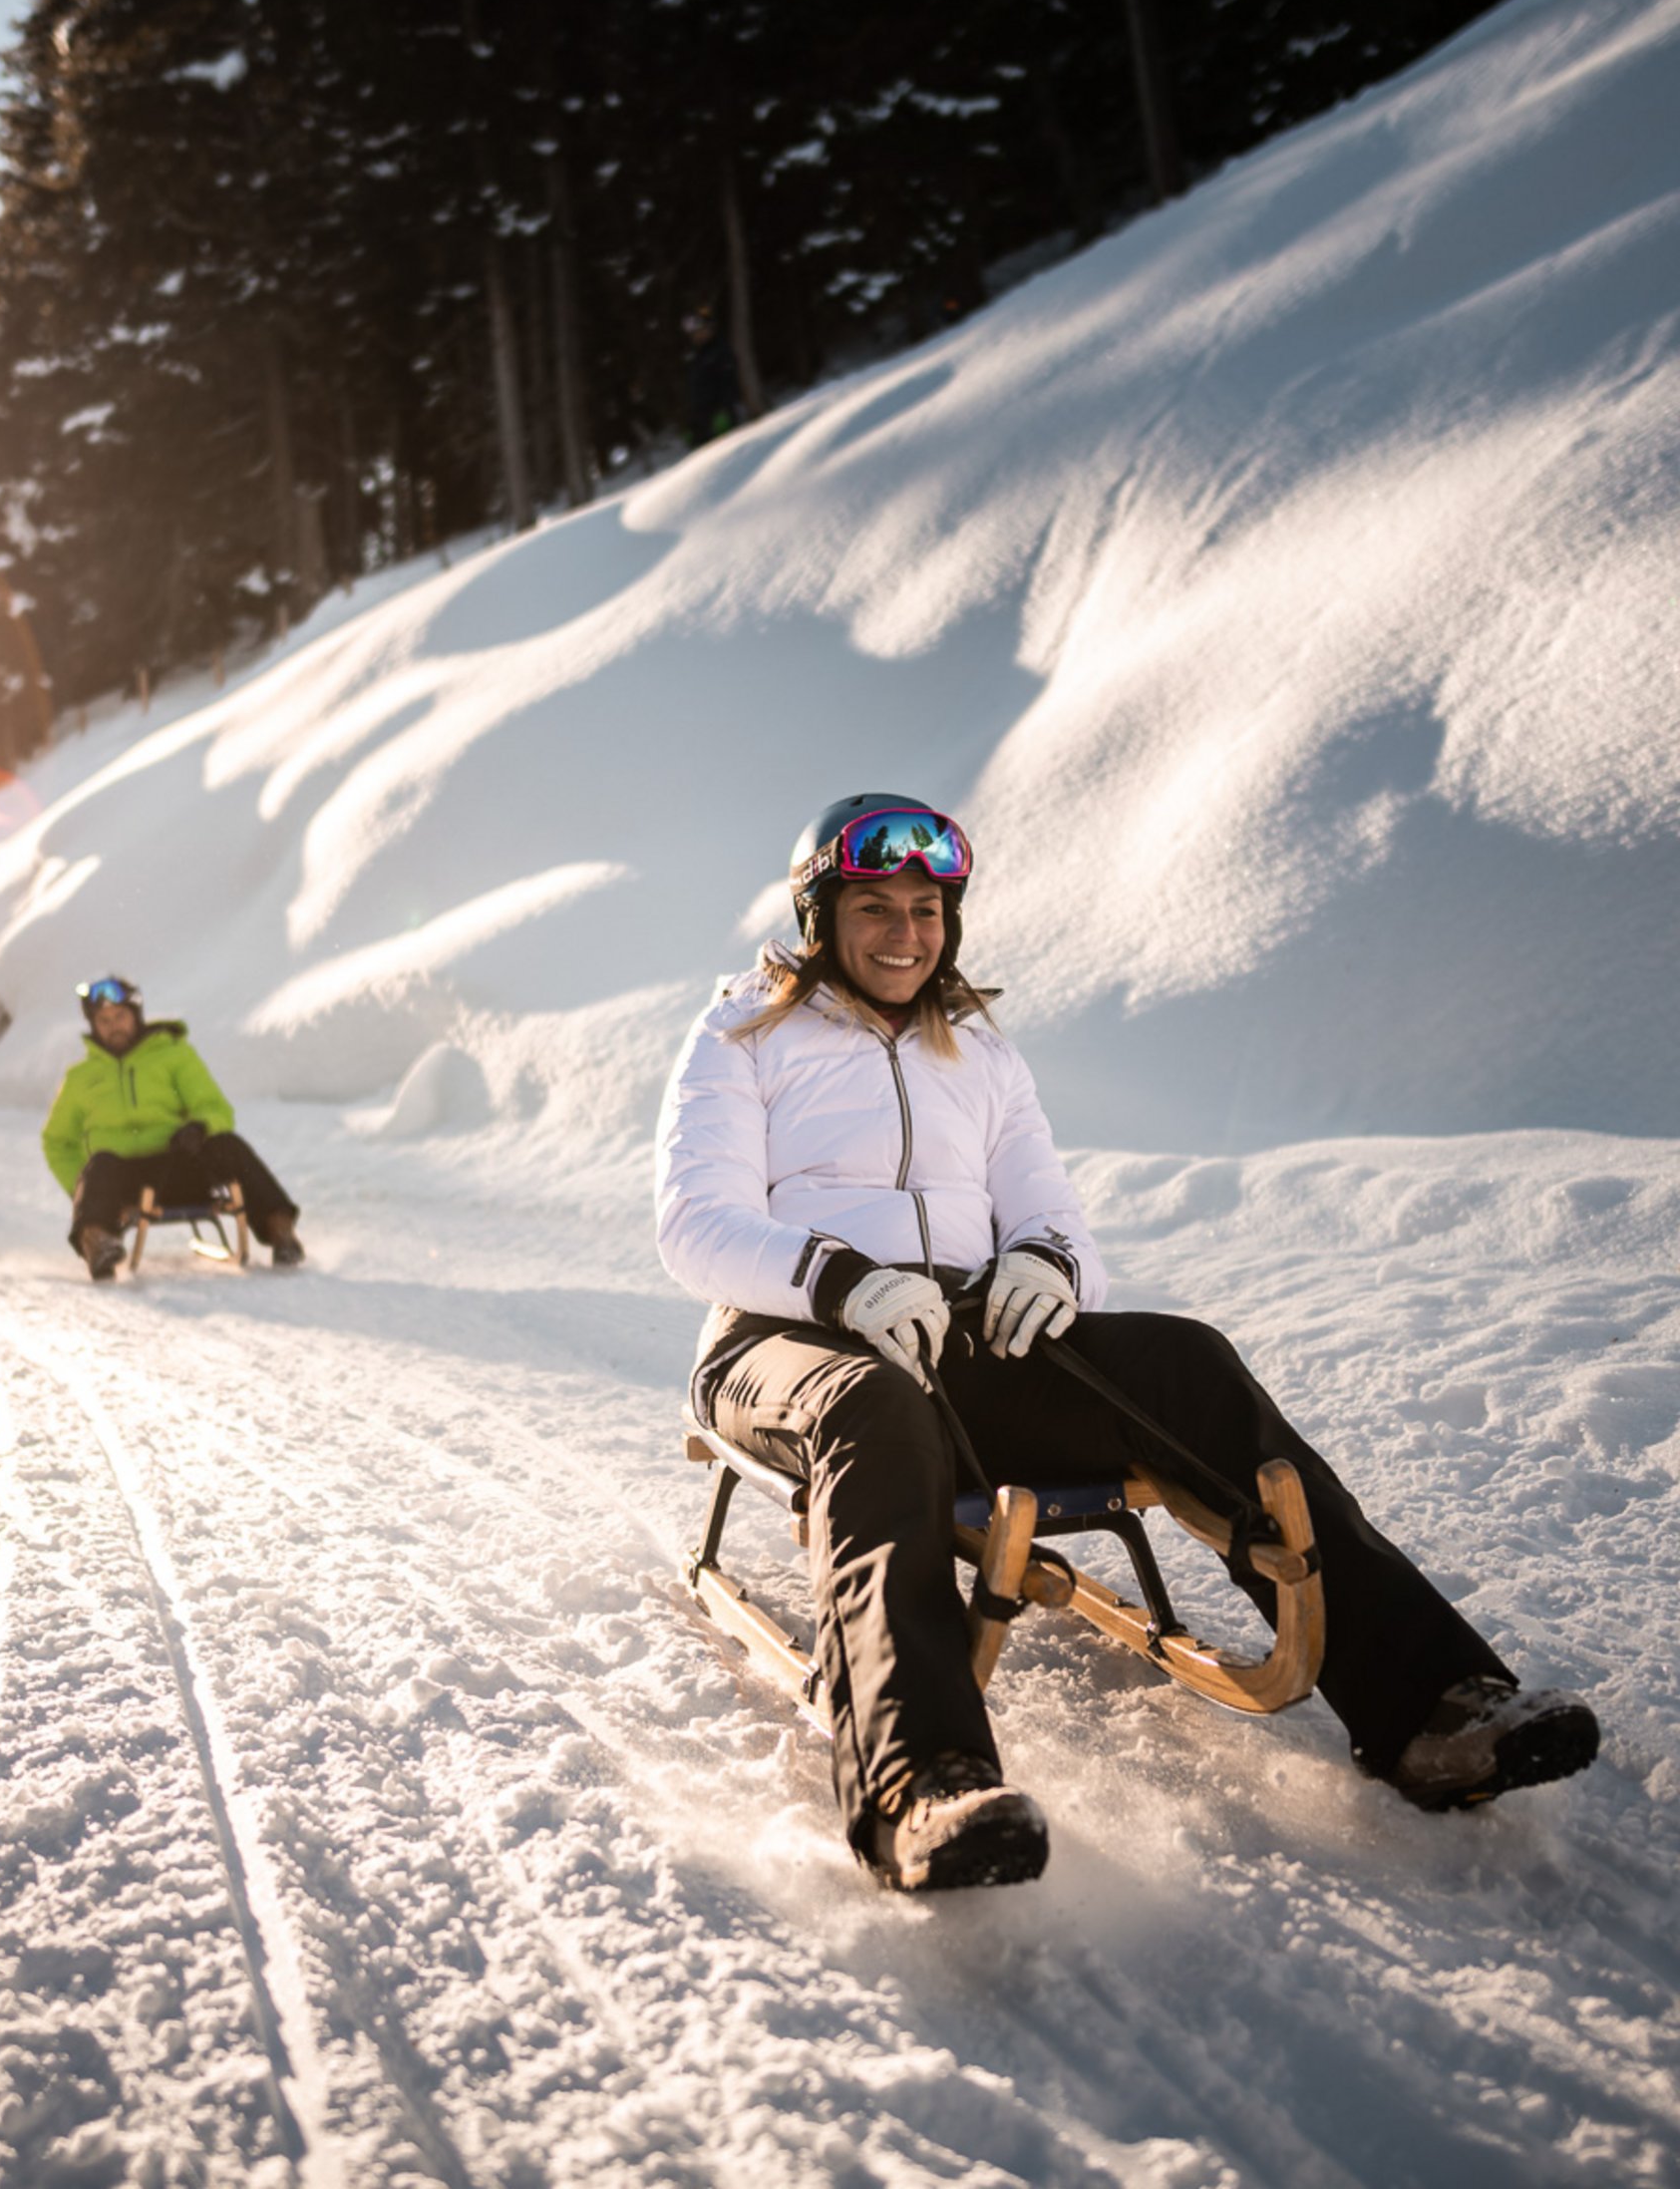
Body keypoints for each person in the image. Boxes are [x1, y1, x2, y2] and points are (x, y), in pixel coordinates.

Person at [653, 796, 1600, 1893]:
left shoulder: (982, 1052)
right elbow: (695, 1225)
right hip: (786, 1341)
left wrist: (1045, 1268)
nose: (907, 933)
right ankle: (922, 1786)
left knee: (1185, 1363)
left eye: (927, 908)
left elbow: (1054, 1216)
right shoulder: (745, 1030)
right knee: (874, 1409)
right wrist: (842, 1282)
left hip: (957, 1344)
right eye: (876, 908)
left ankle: (1431, 1708)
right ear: (822, 915)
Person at [42, 974, 304, 1280]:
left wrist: (199, 1127)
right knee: (100, 1163)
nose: (113, 1025)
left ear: (136, 1015)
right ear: (93, 1025)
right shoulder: (81, 1077)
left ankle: (279, 1228)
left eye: (120, 1016)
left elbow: (215, 1107)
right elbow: (57, 1142)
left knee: (227, 1145)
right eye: (104, 1020)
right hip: (124, 1181)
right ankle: (98, 1242)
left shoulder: (173, 1054)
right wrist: (85, 1192)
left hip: (178, 1165)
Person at [683, 304, 743, 447]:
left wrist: (726, 409)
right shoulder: (696, 357)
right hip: (705, 419)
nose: (697, 336)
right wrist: (693, 423)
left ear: (709, 328)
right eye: (693, 333)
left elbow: (728, 381)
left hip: (723, 414)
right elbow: (696, 391)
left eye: (700, 331)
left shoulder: (720, 350)